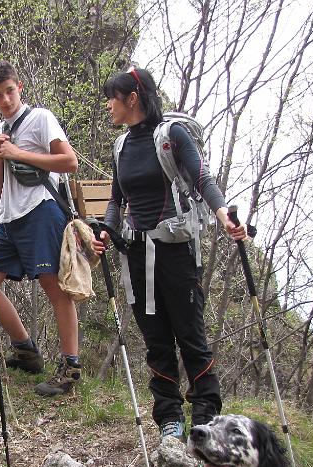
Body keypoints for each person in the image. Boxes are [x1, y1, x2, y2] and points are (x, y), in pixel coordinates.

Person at [101, 66, 246, 439]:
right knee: (156, 338)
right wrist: (106, 229)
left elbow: (201, 179)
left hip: (176, 251)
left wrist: (223, 215)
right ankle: (168, 417)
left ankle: (204, 413)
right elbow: (118, 199)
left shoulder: (171, 135)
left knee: (189, 332)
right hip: (136, 252)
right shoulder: (121, 146)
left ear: (132, 99)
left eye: (112, 100)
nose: (108, 108)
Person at [0, 60, 83, 397]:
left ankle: (70, 367)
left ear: (19, 87)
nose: (5, 99)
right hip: (8, 217)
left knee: (54, 288)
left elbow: (69, 162)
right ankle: (26, 350)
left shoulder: (41, 118)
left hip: (42, 211)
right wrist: (2, 157)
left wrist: (20, 152)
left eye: (9, 91)